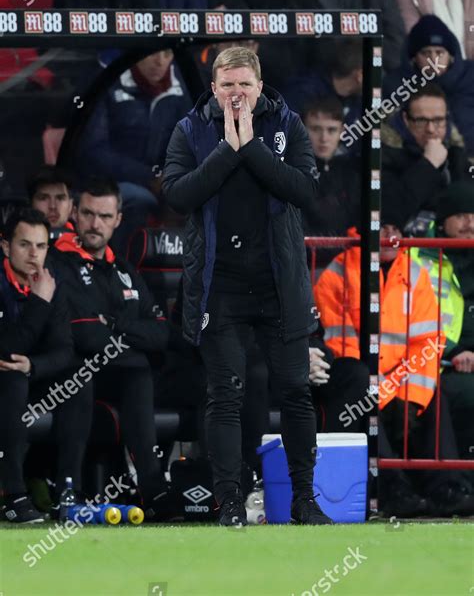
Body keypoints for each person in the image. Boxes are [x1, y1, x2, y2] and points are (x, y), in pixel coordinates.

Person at [163, 47, 332, 526]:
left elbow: (304, 190)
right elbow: (178, 194)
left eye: (245, 84)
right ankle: (230, 501)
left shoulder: (288, 125)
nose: (236, 93)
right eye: (227, 85)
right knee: (225, 394)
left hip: (279, 283)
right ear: (213, 89)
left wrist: (251, 145)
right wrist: (227, 149)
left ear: (260, 87)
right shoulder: (191, 129)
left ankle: (304, 500)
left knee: (296, 391)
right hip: (221, 287)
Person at [314, 222, 474, 516]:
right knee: (361, 385)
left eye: (396, 231)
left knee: (432, 393)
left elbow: (428, 343)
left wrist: (409, 396)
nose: (389, 238)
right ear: (362, 231)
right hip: (358, 382)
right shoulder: (337, 273)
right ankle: (391, 489)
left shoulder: (416, 273)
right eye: (381, 228)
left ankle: (448, 488)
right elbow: (340, 344)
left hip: (400, 382)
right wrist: (386, 393)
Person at [52, 178, 180, 520]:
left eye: (105, 216)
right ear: (75, 214)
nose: (96, 224)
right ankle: (69, 491)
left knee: (142, 373)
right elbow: (85, 336)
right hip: (68, 374)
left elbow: (160, 334)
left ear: (118, 220)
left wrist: (116, 324)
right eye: (89, 214)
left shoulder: (123, 269)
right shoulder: (58, 262)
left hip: (123, 373)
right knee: (99, 372)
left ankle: (156, 489)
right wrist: (130, 334)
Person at [0, 209, 78, 523]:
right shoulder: (38, 291)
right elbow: (7, 350)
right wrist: (39, 302)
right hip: (5, 379)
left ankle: (70, 493)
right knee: (12, 380)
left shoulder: (49, 283)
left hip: (29, 376)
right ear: (5, 246)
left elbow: (64, 350)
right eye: (24, 245)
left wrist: (33, 365)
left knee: (78, 382)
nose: (34, 254)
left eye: (41, 246)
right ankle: (14, 495)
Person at [78, 49, 192, 253]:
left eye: (167, 54)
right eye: (152, 53)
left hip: (166, 180)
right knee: (138, 199)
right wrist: (149, 177)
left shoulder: (181, 84)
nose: (160, 62)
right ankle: (123, 267)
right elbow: (94, 150)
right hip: (112, 181)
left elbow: (193, 141)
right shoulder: (107, 81)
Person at [412, 182, 474, 466]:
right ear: (443, 219)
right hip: (435, 364)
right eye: (461, 215)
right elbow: (411, 318)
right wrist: (452, 353)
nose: (469, 223)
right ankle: (457, 482)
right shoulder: (418, 257)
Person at [382, 84, 470, 234]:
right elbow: (392, 213)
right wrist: (429, 164)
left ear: (446, 118)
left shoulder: (459, 160)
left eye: (438, 120)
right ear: (406, 120)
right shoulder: (386, 159)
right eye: (421, 121)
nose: (430, 129)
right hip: (409, 252)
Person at [384, 15, 474, 155]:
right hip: (415, 162)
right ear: (413, 58)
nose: (433, 60)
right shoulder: (395, 86)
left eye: (439, 53)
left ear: (451, 56)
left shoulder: (470, 77)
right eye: (426, 53)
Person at [302, 96, 360, 245]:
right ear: (302, 129)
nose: (324, 138)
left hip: (346, 262)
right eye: (316, 129)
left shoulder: (353, 172)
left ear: (342, 131)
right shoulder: (290, 170)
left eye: (331, 130)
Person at [28, 165, 74, 241]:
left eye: (60, 198)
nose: (52, 206)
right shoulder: (9, 245)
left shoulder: (86, 244)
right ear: (31, 203)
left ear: (70, 205)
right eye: (43, 198)